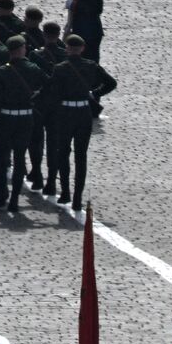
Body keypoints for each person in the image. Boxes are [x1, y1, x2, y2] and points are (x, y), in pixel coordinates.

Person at [41, 32, 114, 211]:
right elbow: (111, 83)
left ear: (67, 49)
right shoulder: (91, 66)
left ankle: (65, 192)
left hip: (65, 112)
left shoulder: (60, 68)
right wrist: (94, 93)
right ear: (82, 48)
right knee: (81, 156)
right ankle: (77, 197)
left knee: (63, 152)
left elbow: (52, 92)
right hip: (83, 112)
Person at [0, 34, 45, 212]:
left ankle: (3, 192)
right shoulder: (33, 68)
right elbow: (48, 85)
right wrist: (35, 99)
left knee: (2, 156)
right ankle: (14, 199)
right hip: (26, 117)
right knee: (20, 157)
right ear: (22, 49)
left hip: (6, 116)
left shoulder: (1, 71)